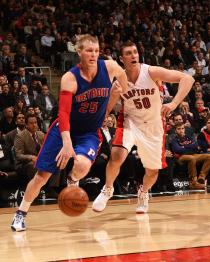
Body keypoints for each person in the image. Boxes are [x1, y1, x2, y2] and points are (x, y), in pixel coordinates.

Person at [11, 34, 128, 231]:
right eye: (89, 50)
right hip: (63, 130)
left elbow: (123, 75)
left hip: (89, 132)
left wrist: (123, 91)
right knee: (42, 176)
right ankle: (20, 213)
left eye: (96, 50)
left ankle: (72, 179)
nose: (93, 54)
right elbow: (63, 113)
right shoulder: (69, 78)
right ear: (78, 51)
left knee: (82, 164)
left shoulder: (109, 67)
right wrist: (66, 142)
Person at [92, 41, 194, 214]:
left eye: (135, 52)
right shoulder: (119, 80)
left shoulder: (151, 71)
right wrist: (114, 95)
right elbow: (107, 111)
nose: (134, 56)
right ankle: (108, 189)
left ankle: (143, 192)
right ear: (121, 59)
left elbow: (188, 78)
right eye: (129, 53)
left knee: (152, 171)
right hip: (130, 122)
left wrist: (174, 103)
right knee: (116, 156)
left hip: (154, 126)